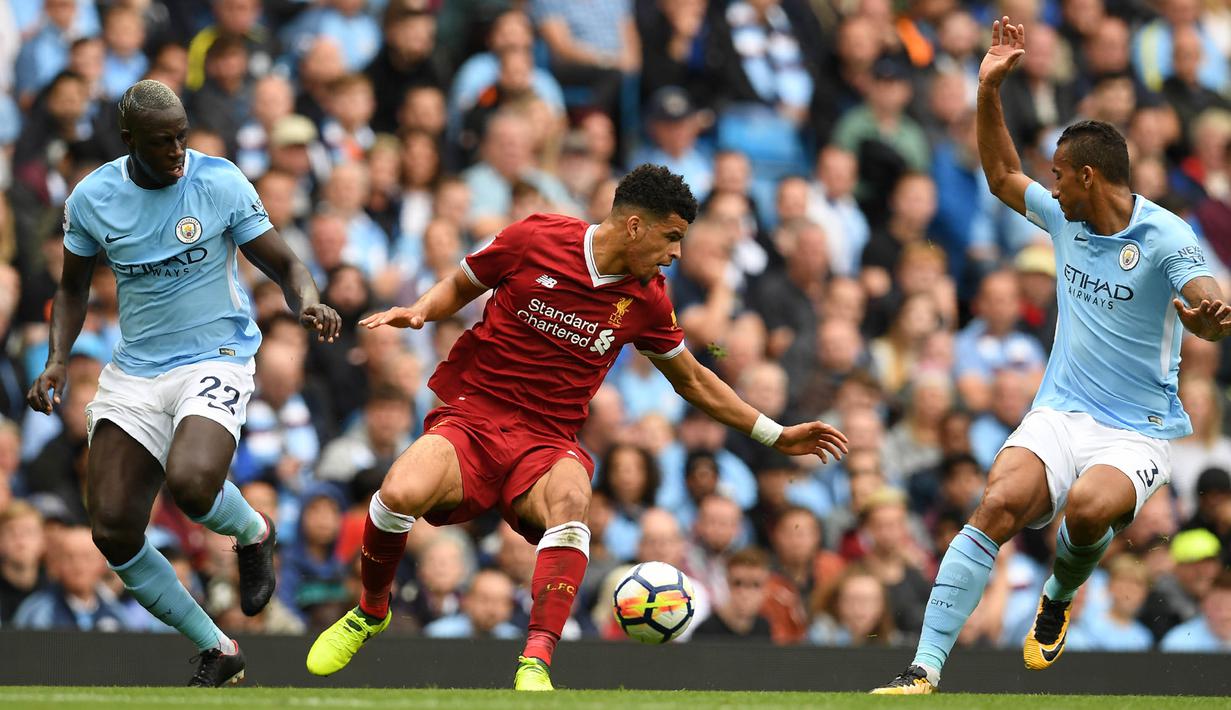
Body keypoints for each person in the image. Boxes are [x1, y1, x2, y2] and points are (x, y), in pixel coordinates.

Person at [305, 164, 848, 690]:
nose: (677, 253)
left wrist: (776, 434)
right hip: (474, 416)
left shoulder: (650, 299)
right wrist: (422, 310)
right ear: (635, 226)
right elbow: (464, 282)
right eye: (672, 237)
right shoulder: (534, 237)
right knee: (397, 493)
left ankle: (536, 660)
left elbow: (695, 381)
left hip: (547, 440)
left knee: (572, 500)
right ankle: (371, 612)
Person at [875, 18, 1231, 694]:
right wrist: (988, 90)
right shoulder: (1065, 217)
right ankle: (921, 669)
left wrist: (1209, 319)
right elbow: (1001, 174)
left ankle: (1058, 595)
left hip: (1137, 427)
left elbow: (1205, 303)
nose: (1051, 184)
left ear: (1088, 176)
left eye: (1060, 174)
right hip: (1061, 409)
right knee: (997, 502)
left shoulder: (1163, 235)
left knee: (1087, 512)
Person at [25, 80, 341, 686]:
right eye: (161, 142)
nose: (175, 151)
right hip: (136, 370)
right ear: (128, 142)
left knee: (193, 487)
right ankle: (217, 648)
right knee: (112, 528)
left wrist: (308, 302)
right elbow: (71, 289)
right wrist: (58, 360)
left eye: (181, 137)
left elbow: (287, 262)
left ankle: (253, 531)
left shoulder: (218, 182)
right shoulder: (93, 198)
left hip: (215, 356)